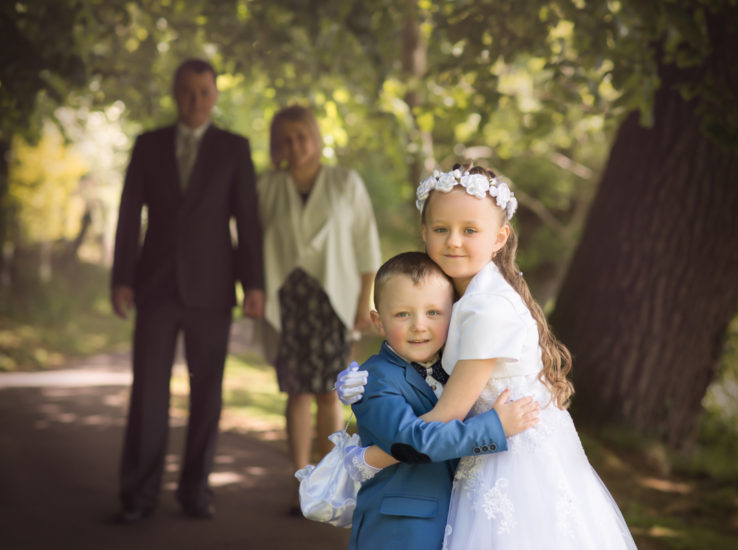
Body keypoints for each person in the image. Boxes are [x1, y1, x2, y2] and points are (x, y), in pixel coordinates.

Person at [342, 165, 637, 548]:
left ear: (499, 238)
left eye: (470, 230)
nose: (454, 242)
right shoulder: (459, 295)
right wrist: (358, 387)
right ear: (424, 233)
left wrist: (368, 460)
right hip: (481, 451)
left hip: (512, 461)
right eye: (441, 229)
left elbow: (444, 415)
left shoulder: (487, 308)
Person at [111, 58, 265, 523]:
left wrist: (253, 283)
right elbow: (128, 214)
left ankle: (195, 491)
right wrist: (121, 278)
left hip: (213, 291)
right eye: (187, 92)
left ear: (215, 95)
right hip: (154, 287)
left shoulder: (234, 148)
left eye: (204, 91)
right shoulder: (148, 145)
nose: (196, 101)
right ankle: (138, 494)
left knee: (207, 395)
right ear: (175, 95)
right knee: (149, 393)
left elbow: (248, 222)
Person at [337, 251, 539, 549]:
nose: (420, 325)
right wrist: (494, 428)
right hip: (398, 531)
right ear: (378, 322)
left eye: (433, 313)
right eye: (403, 314)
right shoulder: (374, 380)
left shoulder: (454, 367)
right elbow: (414, 441)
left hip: (455, 522)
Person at [256, 105, 381, 514]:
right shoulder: (266, 187)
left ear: (316, 137)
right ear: (278, 145)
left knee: (329, 393)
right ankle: (301, 481)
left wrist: (365, 304)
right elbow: (251, 245)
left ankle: (330, 484)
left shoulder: (346, 182)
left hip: (334, 303)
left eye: (302, 136)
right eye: (286, 139)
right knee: (295, 391)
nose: (296, 146)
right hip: (288, 303)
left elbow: (367, 248)